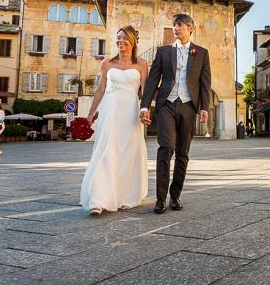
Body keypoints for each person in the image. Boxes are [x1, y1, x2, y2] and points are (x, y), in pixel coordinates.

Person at [140, 13, 211, 213]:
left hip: (188, 106)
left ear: (191, 28)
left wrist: (204, 107)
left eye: (180, 25)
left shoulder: (202, 53)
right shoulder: (163, 52)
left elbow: (205, 83)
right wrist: (145, 105)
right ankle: (160, 199)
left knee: (182, 153)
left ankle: (175, 196)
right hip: (166, 105)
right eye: (174, 25)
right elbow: (153, 79)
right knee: (166, 148)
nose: (176, 29)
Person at [80, 25, 148, 216]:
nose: (121, 41)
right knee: (106, 149)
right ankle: (98, 199)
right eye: (118, 38)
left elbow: (146, 92)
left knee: (127, 152)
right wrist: (90, 115)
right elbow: (100, 90)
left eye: (125, 38)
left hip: (130, 112)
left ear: (133, 41)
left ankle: (126, 195)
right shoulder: (107, 63)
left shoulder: (142, 64)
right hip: (110, 109)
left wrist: (146, 111)